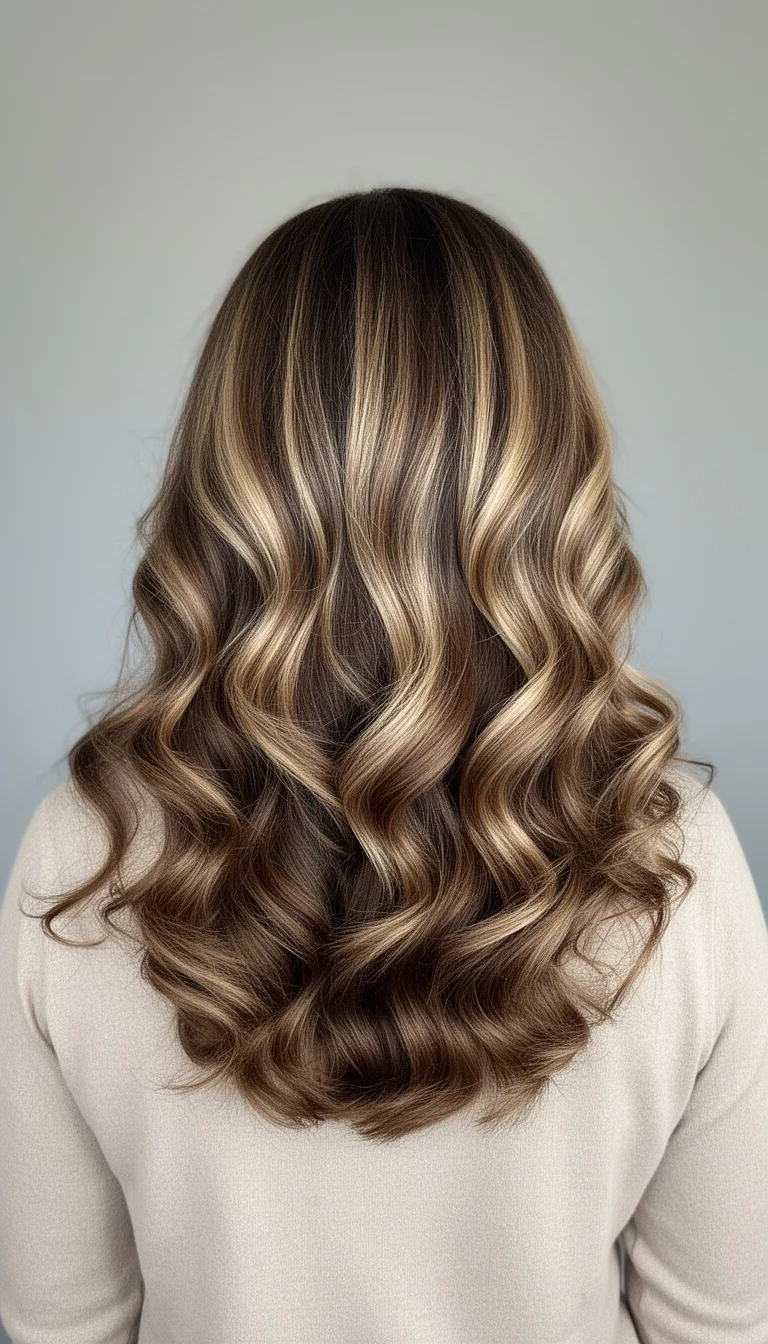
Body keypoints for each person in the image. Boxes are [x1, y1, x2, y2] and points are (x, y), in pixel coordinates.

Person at [1, 186, 766, 1344]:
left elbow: (62, 1326)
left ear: (233, 472)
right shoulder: (670, 857)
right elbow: (718, 1326)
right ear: (546, 473)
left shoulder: (83, 849)